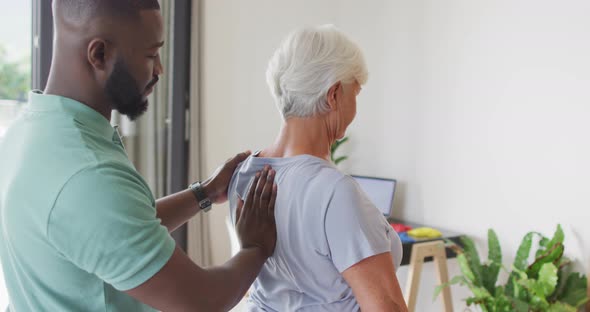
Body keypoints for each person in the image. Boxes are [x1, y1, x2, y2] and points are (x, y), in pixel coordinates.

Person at [0, 1, 277, 311]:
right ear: (99, 54)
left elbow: (117, 230)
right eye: (150, 55)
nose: (159, 69)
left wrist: (205, 192)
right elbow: (201, 300)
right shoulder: (88, 174)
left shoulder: (27, 132)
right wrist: (255, 247)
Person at [228, 25, 409, 311]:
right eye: (356, 93)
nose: (355, 107)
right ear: (334, 95)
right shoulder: (334, 191)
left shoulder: (244, 174)